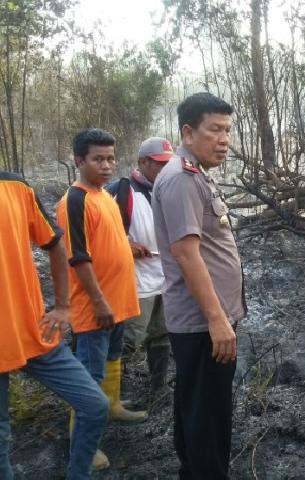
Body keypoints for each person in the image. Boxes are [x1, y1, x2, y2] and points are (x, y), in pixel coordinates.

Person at [153, 92, 246, 479]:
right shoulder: (180, 180)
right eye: (215, 130)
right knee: (207, 416)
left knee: (197, 407)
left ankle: (193, 470)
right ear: (188, 132)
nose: (224, 139)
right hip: (202, 325)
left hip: (207, 323)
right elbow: (187, 255)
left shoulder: (195, 175)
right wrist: (217, 319)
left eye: (227, 130)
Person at [0, 171, 108, 479]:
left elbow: (54, 242)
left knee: (94, 404)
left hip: (33, 331)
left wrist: (62, 306)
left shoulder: (15, 186)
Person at [56, 128, 147, 471]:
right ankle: (84, 445)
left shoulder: (105, 195)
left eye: (110, 158)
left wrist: (129, 248)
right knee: (87, 377)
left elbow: (108, 238)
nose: (107, 165)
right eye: (98, 159)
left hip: (119, 300)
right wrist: (98, 302)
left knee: (111, 360)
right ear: (79, 160)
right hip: (96, 308)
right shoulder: (74, 200)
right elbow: (77, 257)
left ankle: (112, 407)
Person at [107, 137, 173, 406]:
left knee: (161, 335)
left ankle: (158, 388)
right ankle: (109, 398)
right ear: (143, 162)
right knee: (128, 340)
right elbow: (99, 234)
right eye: (159, 165)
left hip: (165, 280)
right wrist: (125, 244)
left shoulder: (169, 189)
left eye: (168, 165)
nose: (164, 170)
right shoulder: (120, 192)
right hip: (134, 283)